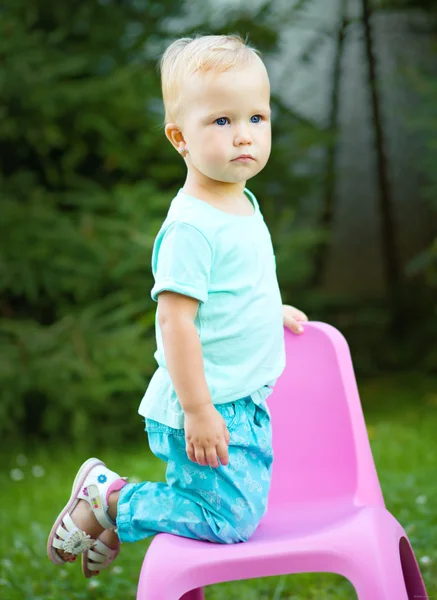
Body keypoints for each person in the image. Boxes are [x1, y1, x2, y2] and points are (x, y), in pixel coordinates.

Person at [47, 33, 308, 578]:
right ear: (179, 138)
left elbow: (237, 282)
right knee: (228, 520)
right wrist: (198, 410)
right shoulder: (191, 225)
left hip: (240, 399)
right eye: (221, 121)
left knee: (239, 512)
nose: (244, 136)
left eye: (256, 118)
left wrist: (268, 310)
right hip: (209, 403)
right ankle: (112, 499)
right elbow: (176, 320)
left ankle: (116, 510)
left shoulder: (239, 200)